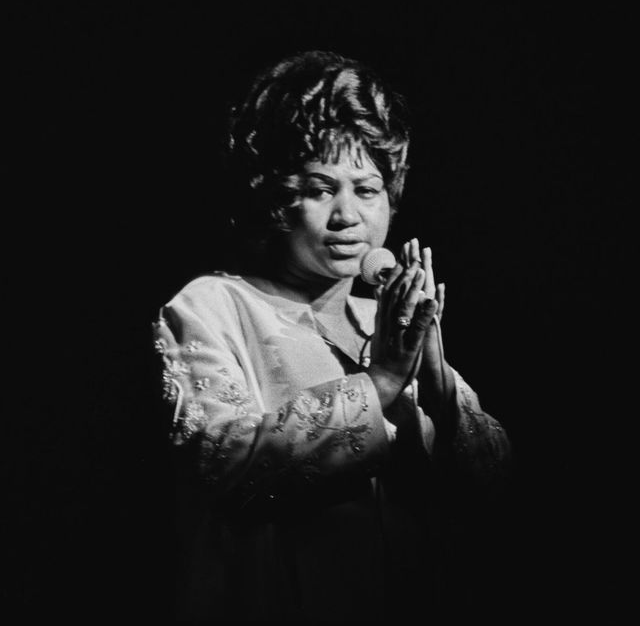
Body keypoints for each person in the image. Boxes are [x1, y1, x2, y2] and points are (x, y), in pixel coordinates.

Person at [153, 50, 510, 620]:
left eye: (366, 190)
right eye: (321, 189)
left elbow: (498, 492)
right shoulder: (213, 305)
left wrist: (439, 387)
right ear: (273, 197)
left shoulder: (385, 321)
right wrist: (383, 381)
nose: (347, 215)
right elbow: (222, 470)